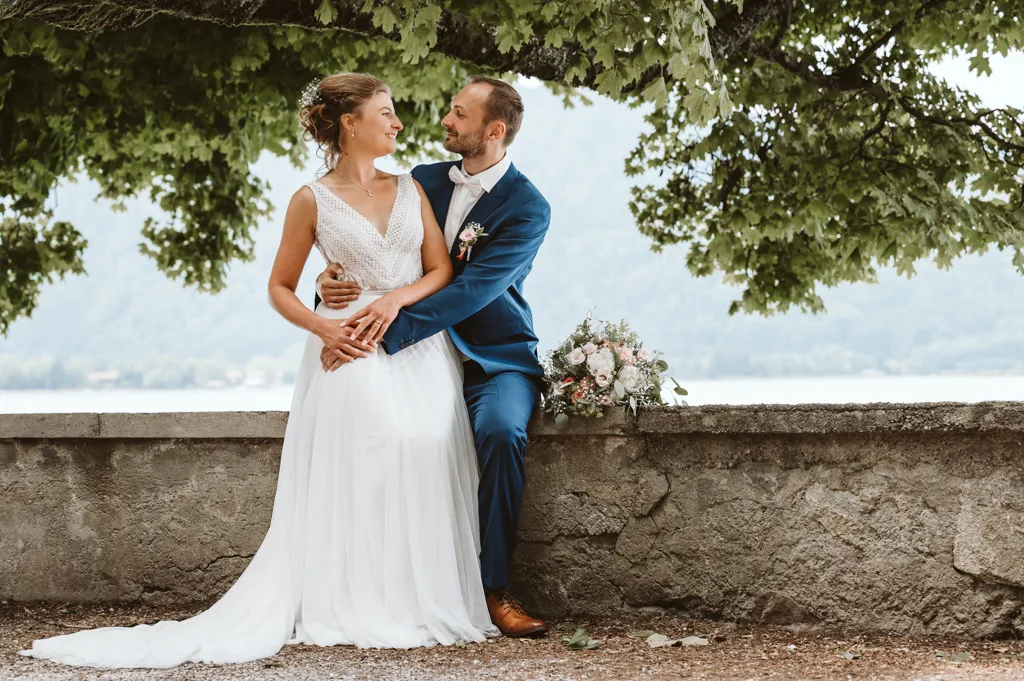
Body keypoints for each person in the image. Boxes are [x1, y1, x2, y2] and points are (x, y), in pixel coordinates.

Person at [18, 72, 501, 668]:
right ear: (350, 123)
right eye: (386, 113)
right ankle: (357, 597)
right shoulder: (310, 199)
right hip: (346, 342)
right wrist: (325, 326)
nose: (398, 123)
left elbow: (440, 270)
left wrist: (396, 300)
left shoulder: (411, 188)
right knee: (370, 451)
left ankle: (420, 595)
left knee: (425, 449)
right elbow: (279, 287)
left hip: (416, 341)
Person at [314, 75, 550, 638]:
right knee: (382, 435)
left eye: (460, 114)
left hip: (491, 356)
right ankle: (385, 589)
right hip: (417, 353)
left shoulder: (528, 207)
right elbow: (369, 251)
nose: (445, 119)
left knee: (501, 433)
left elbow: (473, 289)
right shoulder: (421, 180)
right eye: (451, 108)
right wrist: (329, 286)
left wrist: (379, 332)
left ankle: (492, 590)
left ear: (494, 131)